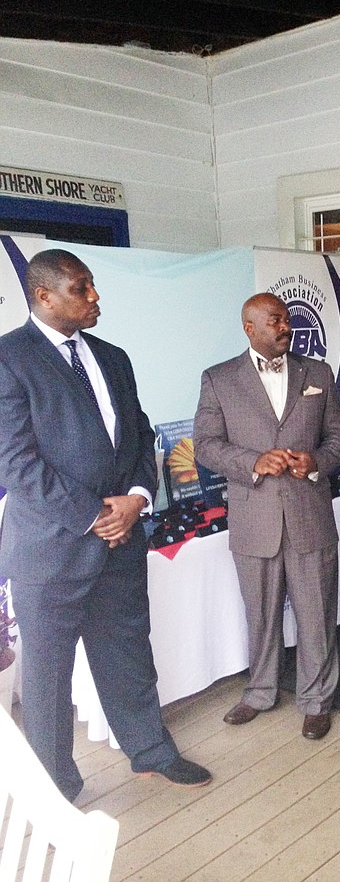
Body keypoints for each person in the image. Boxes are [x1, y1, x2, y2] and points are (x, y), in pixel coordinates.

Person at [0, 249, 211, 801]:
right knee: (48, 676)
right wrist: (95, 515)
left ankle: (150, 752)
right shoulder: (8, 359)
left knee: (127, 650)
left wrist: (137, 499)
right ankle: (54, 789)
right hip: (52, 551)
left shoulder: (113, 357)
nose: (95, 298)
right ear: (44, 296)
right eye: (82, 289)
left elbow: (143, 438)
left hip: (122, 541)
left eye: (92, 286)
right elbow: (15, 464)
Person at [193, 293, 340, 740]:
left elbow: (339, 434)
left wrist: (316, 460)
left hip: (309, 514)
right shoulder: (219, 379)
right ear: (250, 327)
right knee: (259, 614)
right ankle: (260, 691)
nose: (286, 327)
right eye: (276, 320)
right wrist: (252, 461)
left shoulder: (316, 372)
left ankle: (316, 700)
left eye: (286, 319)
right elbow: (205, 445)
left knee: (316, 613)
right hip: (254, 517)